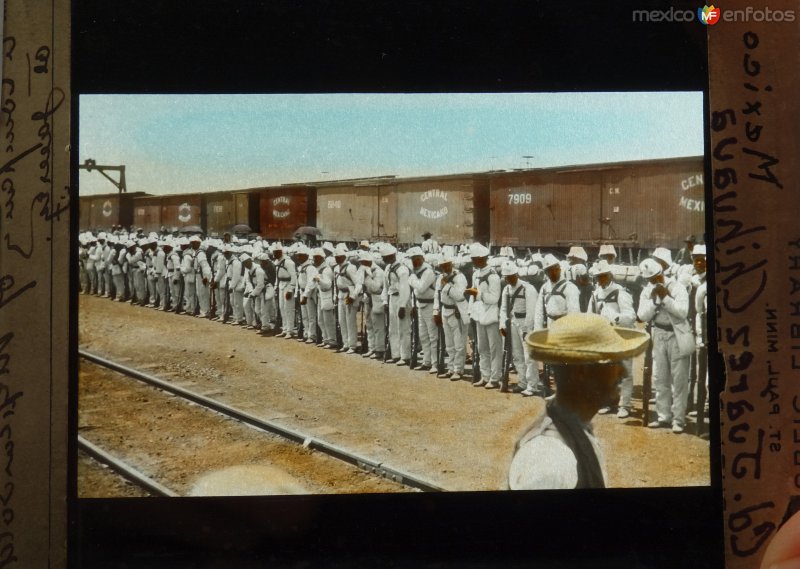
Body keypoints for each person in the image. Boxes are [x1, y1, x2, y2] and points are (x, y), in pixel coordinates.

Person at [508, 313, 650, 490]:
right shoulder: (550, 457)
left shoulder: (574, 432)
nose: (624, 372)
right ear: (582, 371)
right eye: (612, 361)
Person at [637, 257, 692, 433]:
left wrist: (665, 299)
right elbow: (642, 315)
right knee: (660, 378)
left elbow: (682, 312)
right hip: (659, 333)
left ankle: (678, 419)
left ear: (662, 274)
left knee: (679, 379)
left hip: (677, 334)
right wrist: (654, 302)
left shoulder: (677, 287)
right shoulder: (647, 291)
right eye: (650, 280)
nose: (653, 282)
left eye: (655, 278)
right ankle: (663, 417)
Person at [588, 260, 637, 418]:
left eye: (603, 276)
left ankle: (625, 405)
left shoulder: (621, 293)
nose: (600, 280)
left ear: (610, 275)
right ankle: (609, 402)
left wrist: (615, 318)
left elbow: (630, 317)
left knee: (625, 371)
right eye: (597, 277)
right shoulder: (595, 294)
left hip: (621, 335)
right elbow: (591, 315)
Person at [499, 261, 540, 396]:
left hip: (524, 323)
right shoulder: (506, 289)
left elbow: (531, 311)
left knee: (528, 356)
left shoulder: (528, 289)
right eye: (507, 277)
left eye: (511, 276)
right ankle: (522, 382)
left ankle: (532, 385)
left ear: (517, 274)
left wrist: (527, 330)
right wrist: (502, 325)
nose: (509, 279)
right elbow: (503, 309)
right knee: (516, 355)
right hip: (512, 322)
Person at [465, 243, 503, 389]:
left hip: (491, 314)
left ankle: (495, 378)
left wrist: (478, 294)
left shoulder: (493, 276)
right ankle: (485, 375)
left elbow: (494, 298)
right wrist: (470, 311)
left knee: (494, 348)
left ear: (482, 258)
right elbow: (472, 297)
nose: (473, 262)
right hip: (479, 314)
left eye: (475, 259)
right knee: (482, 348)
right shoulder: (476, 274)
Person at [433, 255, 469, 380]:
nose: (445, 268)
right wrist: (435, 311)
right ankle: (451, 367)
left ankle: (458, 370)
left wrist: (447, 286)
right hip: (445, 310)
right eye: (443, 266)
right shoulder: (440, 278)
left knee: (459, 343)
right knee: (449, 343)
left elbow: (459, 296)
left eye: (447, 264)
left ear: (451, 264)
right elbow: (437, 295)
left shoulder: (460, 277)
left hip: (456, 311)